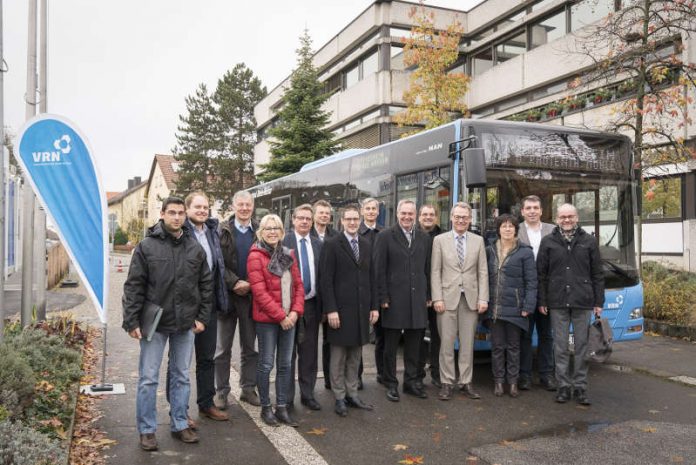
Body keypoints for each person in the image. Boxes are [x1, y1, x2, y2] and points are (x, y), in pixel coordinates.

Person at [122, 196, 212, 451]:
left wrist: (201, 317)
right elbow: (134, 285)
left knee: (182, 376)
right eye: (172, 212)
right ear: (162, 214)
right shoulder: (147, 246)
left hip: (185, 324)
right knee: (148, 378)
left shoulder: (195, 249)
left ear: (185, 216)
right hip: (155, 323)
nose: (177, 217)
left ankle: (180, 423)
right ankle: (147, 430)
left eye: (181, 213)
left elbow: (206, 285)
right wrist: (131, 321)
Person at [537, 203, 604, 406]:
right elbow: (541, 274)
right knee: (560, 347)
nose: (567, 220)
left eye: (570, 216)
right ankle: (564, 387)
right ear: (557, 219)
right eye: (563, 216)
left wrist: (598, 301)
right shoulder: (548, 242)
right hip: (557, 301)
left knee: (582, 346)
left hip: (583, 301)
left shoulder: (589, 241)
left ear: (576, 218)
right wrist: (543, 300)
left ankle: (581, 387)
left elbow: (597, 274)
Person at [320, 205, 379, 417]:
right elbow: (326, 281)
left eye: (356, 219)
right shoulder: (332, 244)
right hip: (340, 312)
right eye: (349, 219)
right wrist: (331, 310)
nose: (353, 222)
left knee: (355, 356)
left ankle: (352, 394)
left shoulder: (365, 244)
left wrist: (374, 306)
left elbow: (371, 277)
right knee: (338, 357)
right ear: (342, 221)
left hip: (361, 311)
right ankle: (339, 397)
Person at [176, 192, 228, 426]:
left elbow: (218, 268)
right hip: (184, 307)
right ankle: (179, 411)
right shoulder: (180, 233)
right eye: (197, 207)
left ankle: (206, 404)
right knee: (180, 362)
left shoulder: (212, 231)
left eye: (205, 207)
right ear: (187, 209)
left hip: (209, 305)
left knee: (207, 358)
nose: (202, 211)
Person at [247, 214, 305, 427]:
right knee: (266, 363)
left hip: (290, 319)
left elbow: (299, 286)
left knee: (285, 365)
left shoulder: (288, 254)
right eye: (268, 228)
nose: (272, 232)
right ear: (261, 232)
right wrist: (281, 316)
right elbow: (260, 293)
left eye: (276, 228)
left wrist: (294, 313)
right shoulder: (255, 255)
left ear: (282, 232)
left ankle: (281, 407)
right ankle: (265, 407)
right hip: (267, 321)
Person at [430, 202, 488, 401]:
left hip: (470, 300)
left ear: (470, 219)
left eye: (465, 217)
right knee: (446, 343)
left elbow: (483, 272)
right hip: (446, 300)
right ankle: (446, 382)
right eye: (458, 217)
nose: (461, 220)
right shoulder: (439, 240)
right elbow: (435, 271)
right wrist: (437, 297)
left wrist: (483, 298)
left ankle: (466, 381)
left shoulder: (478, 241)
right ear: (451, 218)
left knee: (467, 344)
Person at [374, 199, 431, 402]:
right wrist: (383, 297)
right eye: (403, 213)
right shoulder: (385, 237)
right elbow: (379, 270)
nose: (407, 217)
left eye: (411, 214)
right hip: (393, 301)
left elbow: (427, 269)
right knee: (390, 347)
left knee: (414, 346)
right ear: (397, 214)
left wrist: (429, 296)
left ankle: (411, 382)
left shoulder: (424, 238)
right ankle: (391, 383)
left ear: (415, 215)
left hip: (417, 300)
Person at [215, 190, 261, 409]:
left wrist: (251, 284)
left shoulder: (260, 231)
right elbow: (218, 263)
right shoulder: (221, 231)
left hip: (251, 297)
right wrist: (235, 283)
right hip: (227, 296)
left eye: (248, 204)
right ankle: (221, 392)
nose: (244, 208)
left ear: (252, 206)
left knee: (250, 347)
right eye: (240, 204)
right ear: (233, 206)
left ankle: (248, 388)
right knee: (223, 349)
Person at [485, 214, 537, 398]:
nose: (507, 229)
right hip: (495, 308)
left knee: (514, 347)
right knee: (497, 347)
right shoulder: (489, 250)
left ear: (516, 229)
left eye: (511, 226)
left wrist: (528, 306)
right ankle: (499, 382)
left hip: (516, 308)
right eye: (504, 226)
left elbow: (532, 282)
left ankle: (513, 383)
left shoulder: (525, 252)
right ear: (498, 230)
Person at [283, 204, 323, 411]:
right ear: (293, 219)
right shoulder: (284, 242)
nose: (305, 221)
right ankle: (287, 398)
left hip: (311, 306)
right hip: (289, 308)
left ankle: (308, 394)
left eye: (308, 218)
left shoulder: (318, 244)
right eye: (301, 218)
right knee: (288, 354)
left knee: (309, 353)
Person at [517, 195, 556, 391]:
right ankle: (524, 376)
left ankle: (547, 375)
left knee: (546, 335)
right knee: (524, 335)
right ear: (522, 211)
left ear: (541, 211)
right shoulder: (514, 231)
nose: (532, 211)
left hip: (547, 293)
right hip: (523, 293)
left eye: (535, 208)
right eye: (528, 208)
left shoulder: (552, 231)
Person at [417, 204, 443, 389]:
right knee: (417, 336)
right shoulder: (412, 235)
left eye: (431, 215)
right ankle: (418, 373)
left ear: (436, 217)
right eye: (424, 214)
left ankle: (437, 373)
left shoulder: (443, 236)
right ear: (419, 217)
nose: (428, 217)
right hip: (418, 294)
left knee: (438, 335)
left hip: (439, 294)